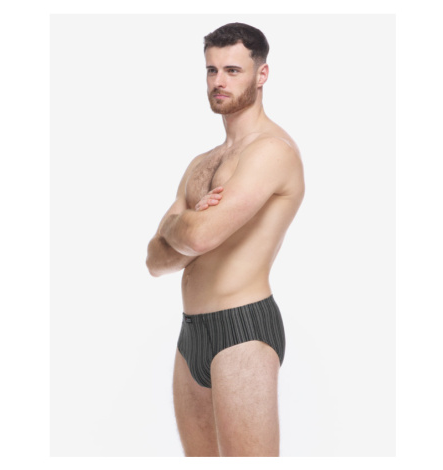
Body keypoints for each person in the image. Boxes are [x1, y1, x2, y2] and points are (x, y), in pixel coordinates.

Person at [146, 22, 305, 457]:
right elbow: (155, 261)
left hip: (242, 329)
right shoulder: (203, 162)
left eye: (233, 70)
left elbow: (199, 238)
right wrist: (184, 228)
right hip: (191, 333)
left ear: (261, 74)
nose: (219, 81)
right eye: (212, 70)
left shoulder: (271, 151)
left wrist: (177, 225)